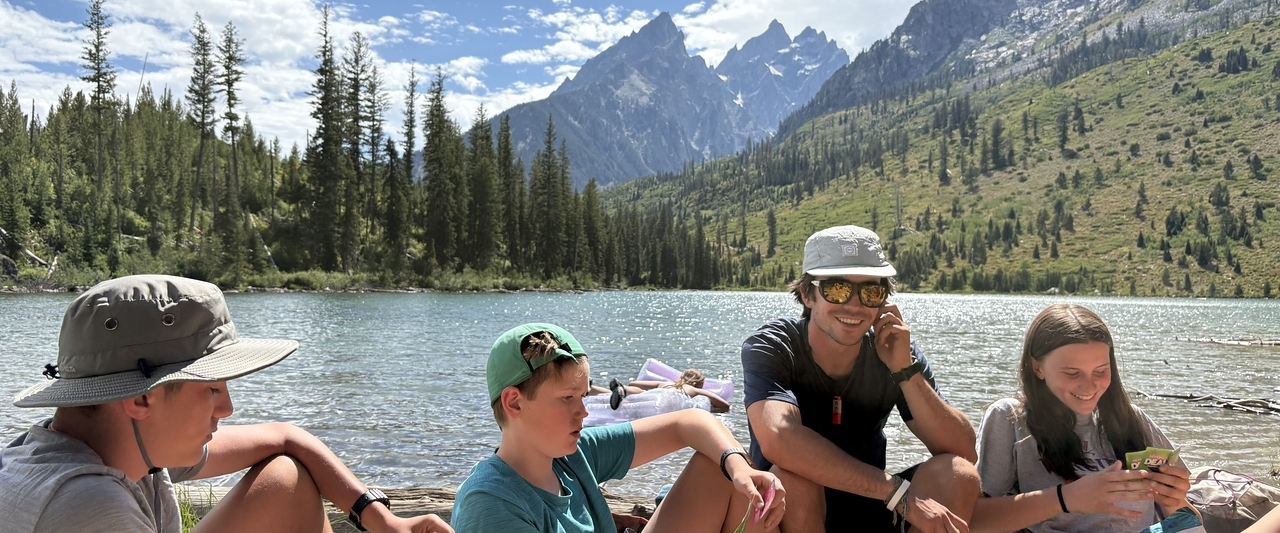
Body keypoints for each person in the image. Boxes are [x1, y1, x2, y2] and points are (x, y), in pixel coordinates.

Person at [0, 275, 452, 533]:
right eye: (212, 388)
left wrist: (383, 521)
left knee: (285, 477)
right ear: (141, 397)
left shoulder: (112, 445)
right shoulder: (89, 506)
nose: (227, 408)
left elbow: (284, 438)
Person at [742, 224, 980, 533]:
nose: (854, 305)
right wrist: (897, 492)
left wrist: (905, 372)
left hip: (867, 509)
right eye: (837, 289)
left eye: (870, 291)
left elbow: (963, 450)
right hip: (790, 514)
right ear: (807, 294)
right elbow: (779, 439)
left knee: (957, 474)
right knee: (794, 480)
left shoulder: (894, 350)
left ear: (884, 300)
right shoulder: (774, 345)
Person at [451, 323, 786, 533]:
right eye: (567, 398)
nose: (582, 411)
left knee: (722, 470)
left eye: (582, 396)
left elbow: (691, 422)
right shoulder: (490, 504)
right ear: (514, 403)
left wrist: (737, 465)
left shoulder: (572, 454)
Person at [971, 303, 1198, 533]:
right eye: (1072, 373)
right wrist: (1065, 499)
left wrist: (1174, 500)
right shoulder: (1011, 419)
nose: (1089, 386)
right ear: (1037, 367)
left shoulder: (1130, 419)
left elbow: (1189, 521)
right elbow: (974, 520)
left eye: (1100, 371)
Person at [592, 368, 732, 413]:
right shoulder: (692, 390)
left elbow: (635, 382)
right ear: (700, 384)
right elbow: (725, 406)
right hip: (671, 403)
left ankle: (623, 390)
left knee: (641, 393)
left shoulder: (665, 383)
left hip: (658, 394)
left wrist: (628, 386)